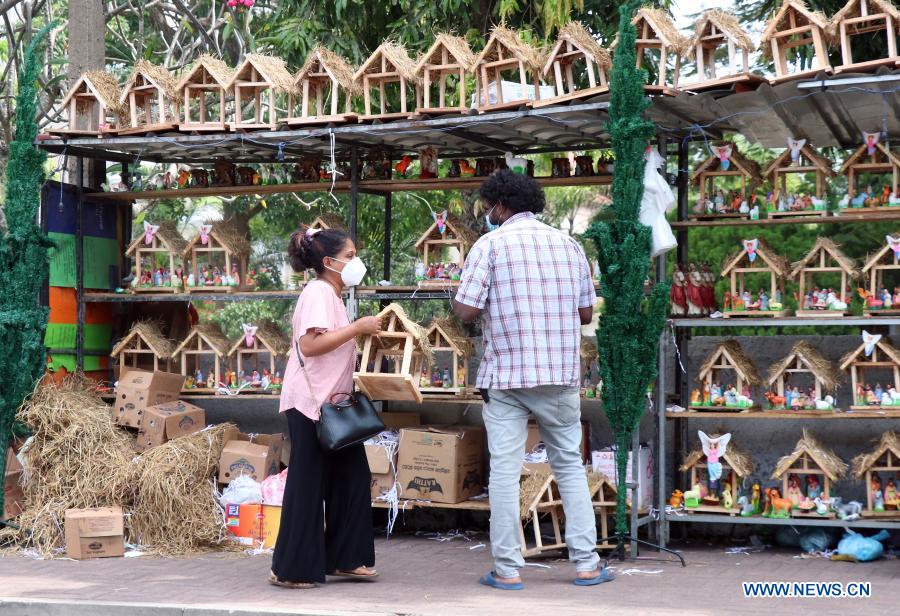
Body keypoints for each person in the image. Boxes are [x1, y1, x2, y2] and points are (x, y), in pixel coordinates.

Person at [452, 170, 612, 590]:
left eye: (489, 207)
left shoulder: (489, 245)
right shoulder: (569, 245)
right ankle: (586, 564)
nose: (488, 213)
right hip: (558, 376)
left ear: (500, 206)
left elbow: (466, 310)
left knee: (503, 473)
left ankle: (507, 570)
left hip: (506, 377)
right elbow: (585, 314)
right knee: (570, 468)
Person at [270, 224, 382, 589]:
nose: (356, 262)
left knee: (352, 478)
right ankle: (291, 569)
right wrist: (359, 328)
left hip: (331, 406)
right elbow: (311, 346)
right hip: (309, 403)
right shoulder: (318, 291)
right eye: (350, 256)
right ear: (329, 261)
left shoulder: (332, 295)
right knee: (307, 482)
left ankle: (346, 559)